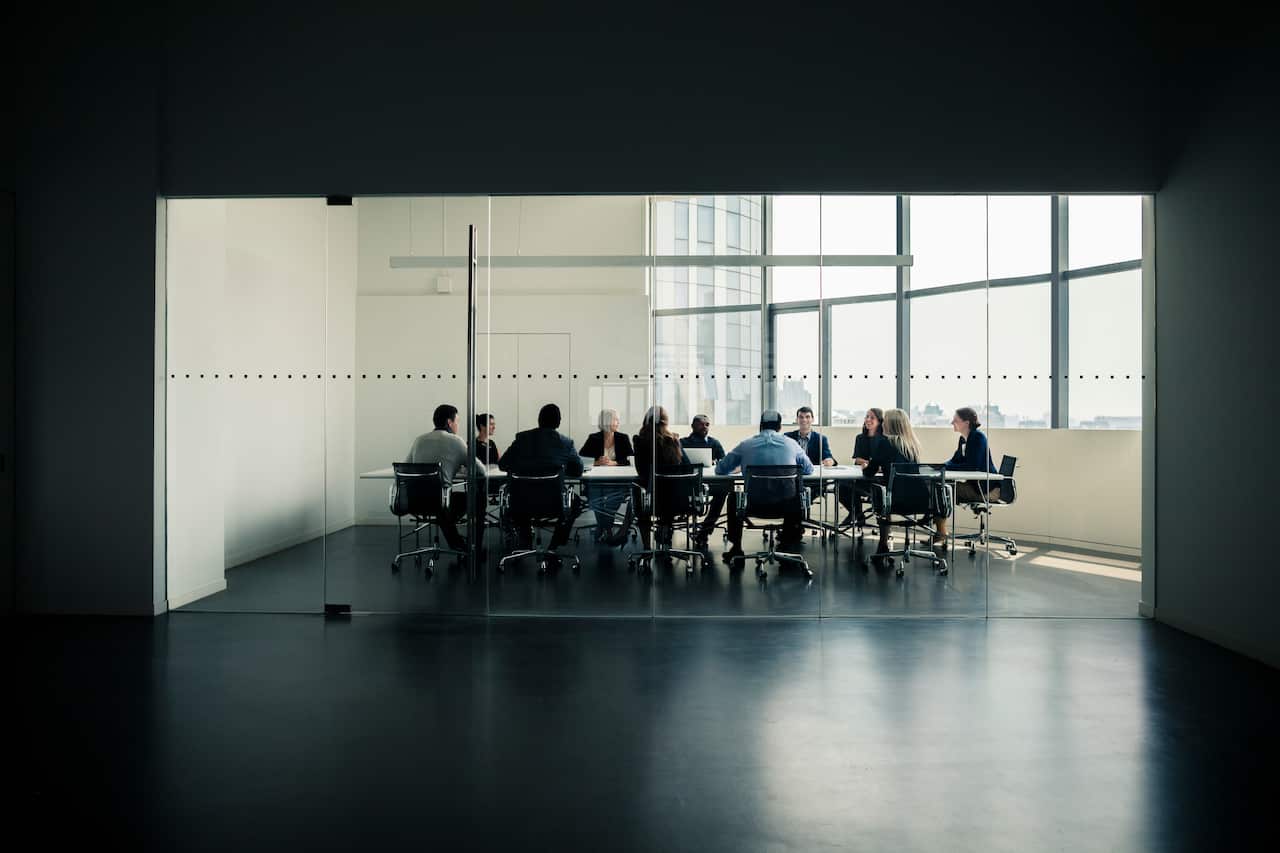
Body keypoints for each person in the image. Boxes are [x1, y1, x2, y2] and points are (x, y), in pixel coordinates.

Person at [715, 409, 814, 564]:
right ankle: (787, 546)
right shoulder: (791, 444)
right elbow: (809, 469)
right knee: (796, 495)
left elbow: (720, 469)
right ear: (780, 426)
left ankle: (736, 548)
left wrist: (741, 466)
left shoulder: (746, 445)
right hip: (787, 507)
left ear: (761, 425)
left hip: (754, 505)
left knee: (733, 498)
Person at [498, 403, 583, 557]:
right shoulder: (565, 443)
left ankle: (525, 539)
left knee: (521, 501)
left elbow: (503, 464)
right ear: (558, 422)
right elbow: (578, 470)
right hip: (553, 503)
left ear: (539, 420)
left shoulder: (522, 438)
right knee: (575, 503)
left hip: (520, 503)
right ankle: (554, 545)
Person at [404, 404, 485, 551]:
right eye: (457, 422)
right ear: (449, 422)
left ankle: (457, 543)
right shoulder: (456, 441)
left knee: (441, 502)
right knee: (479, 498)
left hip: (414, 501)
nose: (458, 426)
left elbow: (406, 467)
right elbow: (481, 471)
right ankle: (475, 547)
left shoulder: (419, 440)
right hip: (441, 502)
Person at [860, 408, 924, 559]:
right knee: (887, 493)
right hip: (919, 499)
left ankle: (883, 544)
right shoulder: (913, 445)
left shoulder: (885, 443)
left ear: (890, 425)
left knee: (881, 494)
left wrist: (865, 467)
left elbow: (869, 473)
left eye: (885, 421)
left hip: (895, 499)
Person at [631, 406, 692, 552]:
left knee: (639, 489)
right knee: (668, 491)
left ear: (646, 421)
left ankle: (647, 546)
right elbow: (688, 467)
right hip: (675, 500)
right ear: (666, 422)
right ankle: (665, 539)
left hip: (652, 500)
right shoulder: (674, 440)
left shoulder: (640, 440)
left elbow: (641, 472)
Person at [937, 406, 1001, 542]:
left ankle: (940, 533)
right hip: (974, 485)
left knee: (941, 490)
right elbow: (955, 460)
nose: (951, 423)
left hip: (985, 488)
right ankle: (940, 531)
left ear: (966, 423)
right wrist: (942, 466)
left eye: (955, 420)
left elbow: (972, 467)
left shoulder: (978, 438)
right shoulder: (963, 439)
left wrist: (946, 468)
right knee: (941, 488)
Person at [578, 409, 634, 540]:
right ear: (608, 421)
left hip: (618, 481)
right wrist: (596, 462)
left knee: (611, 495)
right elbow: (581, 456)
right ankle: (606, 527)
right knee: (596, 494)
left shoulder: (623, 438)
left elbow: (630, 460)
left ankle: (603, 526)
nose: (618, 422)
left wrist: (614, 463)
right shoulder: (594, 438)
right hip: (597, 480)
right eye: (616, 419)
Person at [680, 414, 728, 546]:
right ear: (693, 426)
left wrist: (714, 463)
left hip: (709, 482)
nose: (704, 427)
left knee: (723, 491)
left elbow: (723, 462)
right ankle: (669, 528)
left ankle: (706, 530)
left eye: (707, 424)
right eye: (701, 424)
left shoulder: (714, 443)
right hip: (688, 483)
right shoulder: (682, 443)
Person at [838, 407, 885, 525]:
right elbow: (857, 459)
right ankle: (857, 514)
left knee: (851, 488)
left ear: (879, 421)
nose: (868, 420)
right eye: (867, 417)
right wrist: (870, 464)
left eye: (872, 417)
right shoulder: (860, 438)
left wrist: (870, 465)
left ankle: (856, 515)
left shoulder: (884, 439)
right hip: (862, 476)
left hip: (878, 480)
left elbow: (882, 463)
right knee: (840, 486)